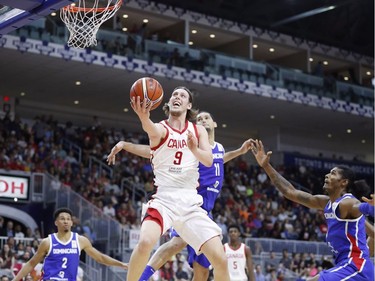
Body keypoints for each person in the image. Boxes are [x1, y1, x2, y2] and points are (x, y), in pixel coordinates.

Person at [107, 111, 252, 280]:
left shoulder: (217, 148)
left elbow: (219, 159)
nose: (202, 121)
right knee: (177, 243)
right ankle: (143, 276)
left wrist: (240, 152)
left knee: (203, 268)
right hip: (189, 203)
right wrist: (127, 146)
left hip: (207, 208)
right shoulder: (192, 145)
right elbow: (155, 151)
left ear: (214, 124)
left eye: (206, 118)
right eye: (199, 119)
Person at [123, 86, 230, 281]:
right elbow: (150, 128)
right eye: (174, 95)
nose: (177, 97)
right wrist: (143, 117)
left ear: (189, 105)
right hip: (165, 198)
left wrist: (194, 149)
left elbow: (208, 160)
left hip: (190, 201)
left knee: (220, 259)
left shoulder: (198, 131)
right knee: (146, 241)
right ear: (168, 102)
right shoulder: (162, 127)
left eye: (182, 95)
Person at [249, 139, 375, 281]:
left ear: (344, 182)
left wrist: (371, 208)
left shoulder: (347, 203)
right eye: (328, 172)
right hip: (349, 267)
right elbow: (291, 192)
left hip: (355, 267)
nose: (327, 175)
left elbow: (360, 207)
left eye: (333, 173)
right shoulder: (325, 203)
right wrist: (266, 166)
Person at [11, 208, 127, 281]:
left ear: (72, 222)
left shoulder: (81, 240)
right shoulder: (47, 242)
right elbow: (31, 263)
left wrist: (121, 264)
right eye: (62, 219)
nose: (66, 221)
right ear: (56, 222)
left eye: (68, 219)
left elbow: (100, 258)